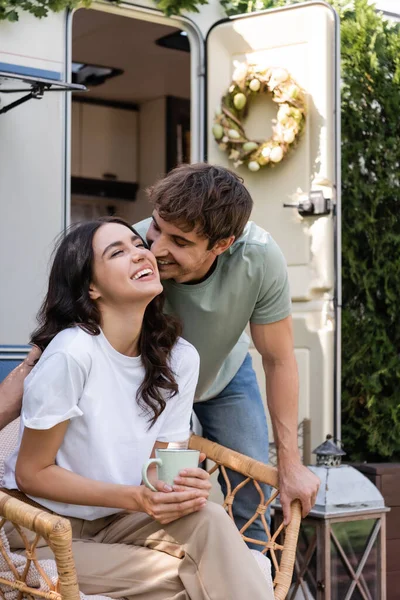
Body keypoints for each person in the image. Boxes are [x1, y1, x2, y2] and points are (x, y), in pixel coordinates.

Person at [0, 163, 320, 543]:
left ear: (222, 245)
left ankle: (256, 571)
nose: (155, 249)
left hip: (223, 378)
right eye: (156, 227)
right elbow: (60, 333)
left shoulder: (261, 260)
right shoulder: (130, 252)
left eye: (180, 242)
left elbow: (280, 359)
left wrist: (291, 462)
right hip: (151, 384)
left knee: (253, 496)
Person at [2, 217, 269, 600]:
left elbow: (162, 471)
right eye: (118, 252)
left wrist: (181, 487)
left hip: (119, 520)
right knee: (189, 578)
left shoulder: (180, 358)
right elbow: (32, 474)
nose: (141, 254)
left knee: (209, 517)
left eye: (137, 244)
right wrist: (137, 498)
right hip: (41, 529)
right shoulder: (72, 354)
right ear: (91, 287)